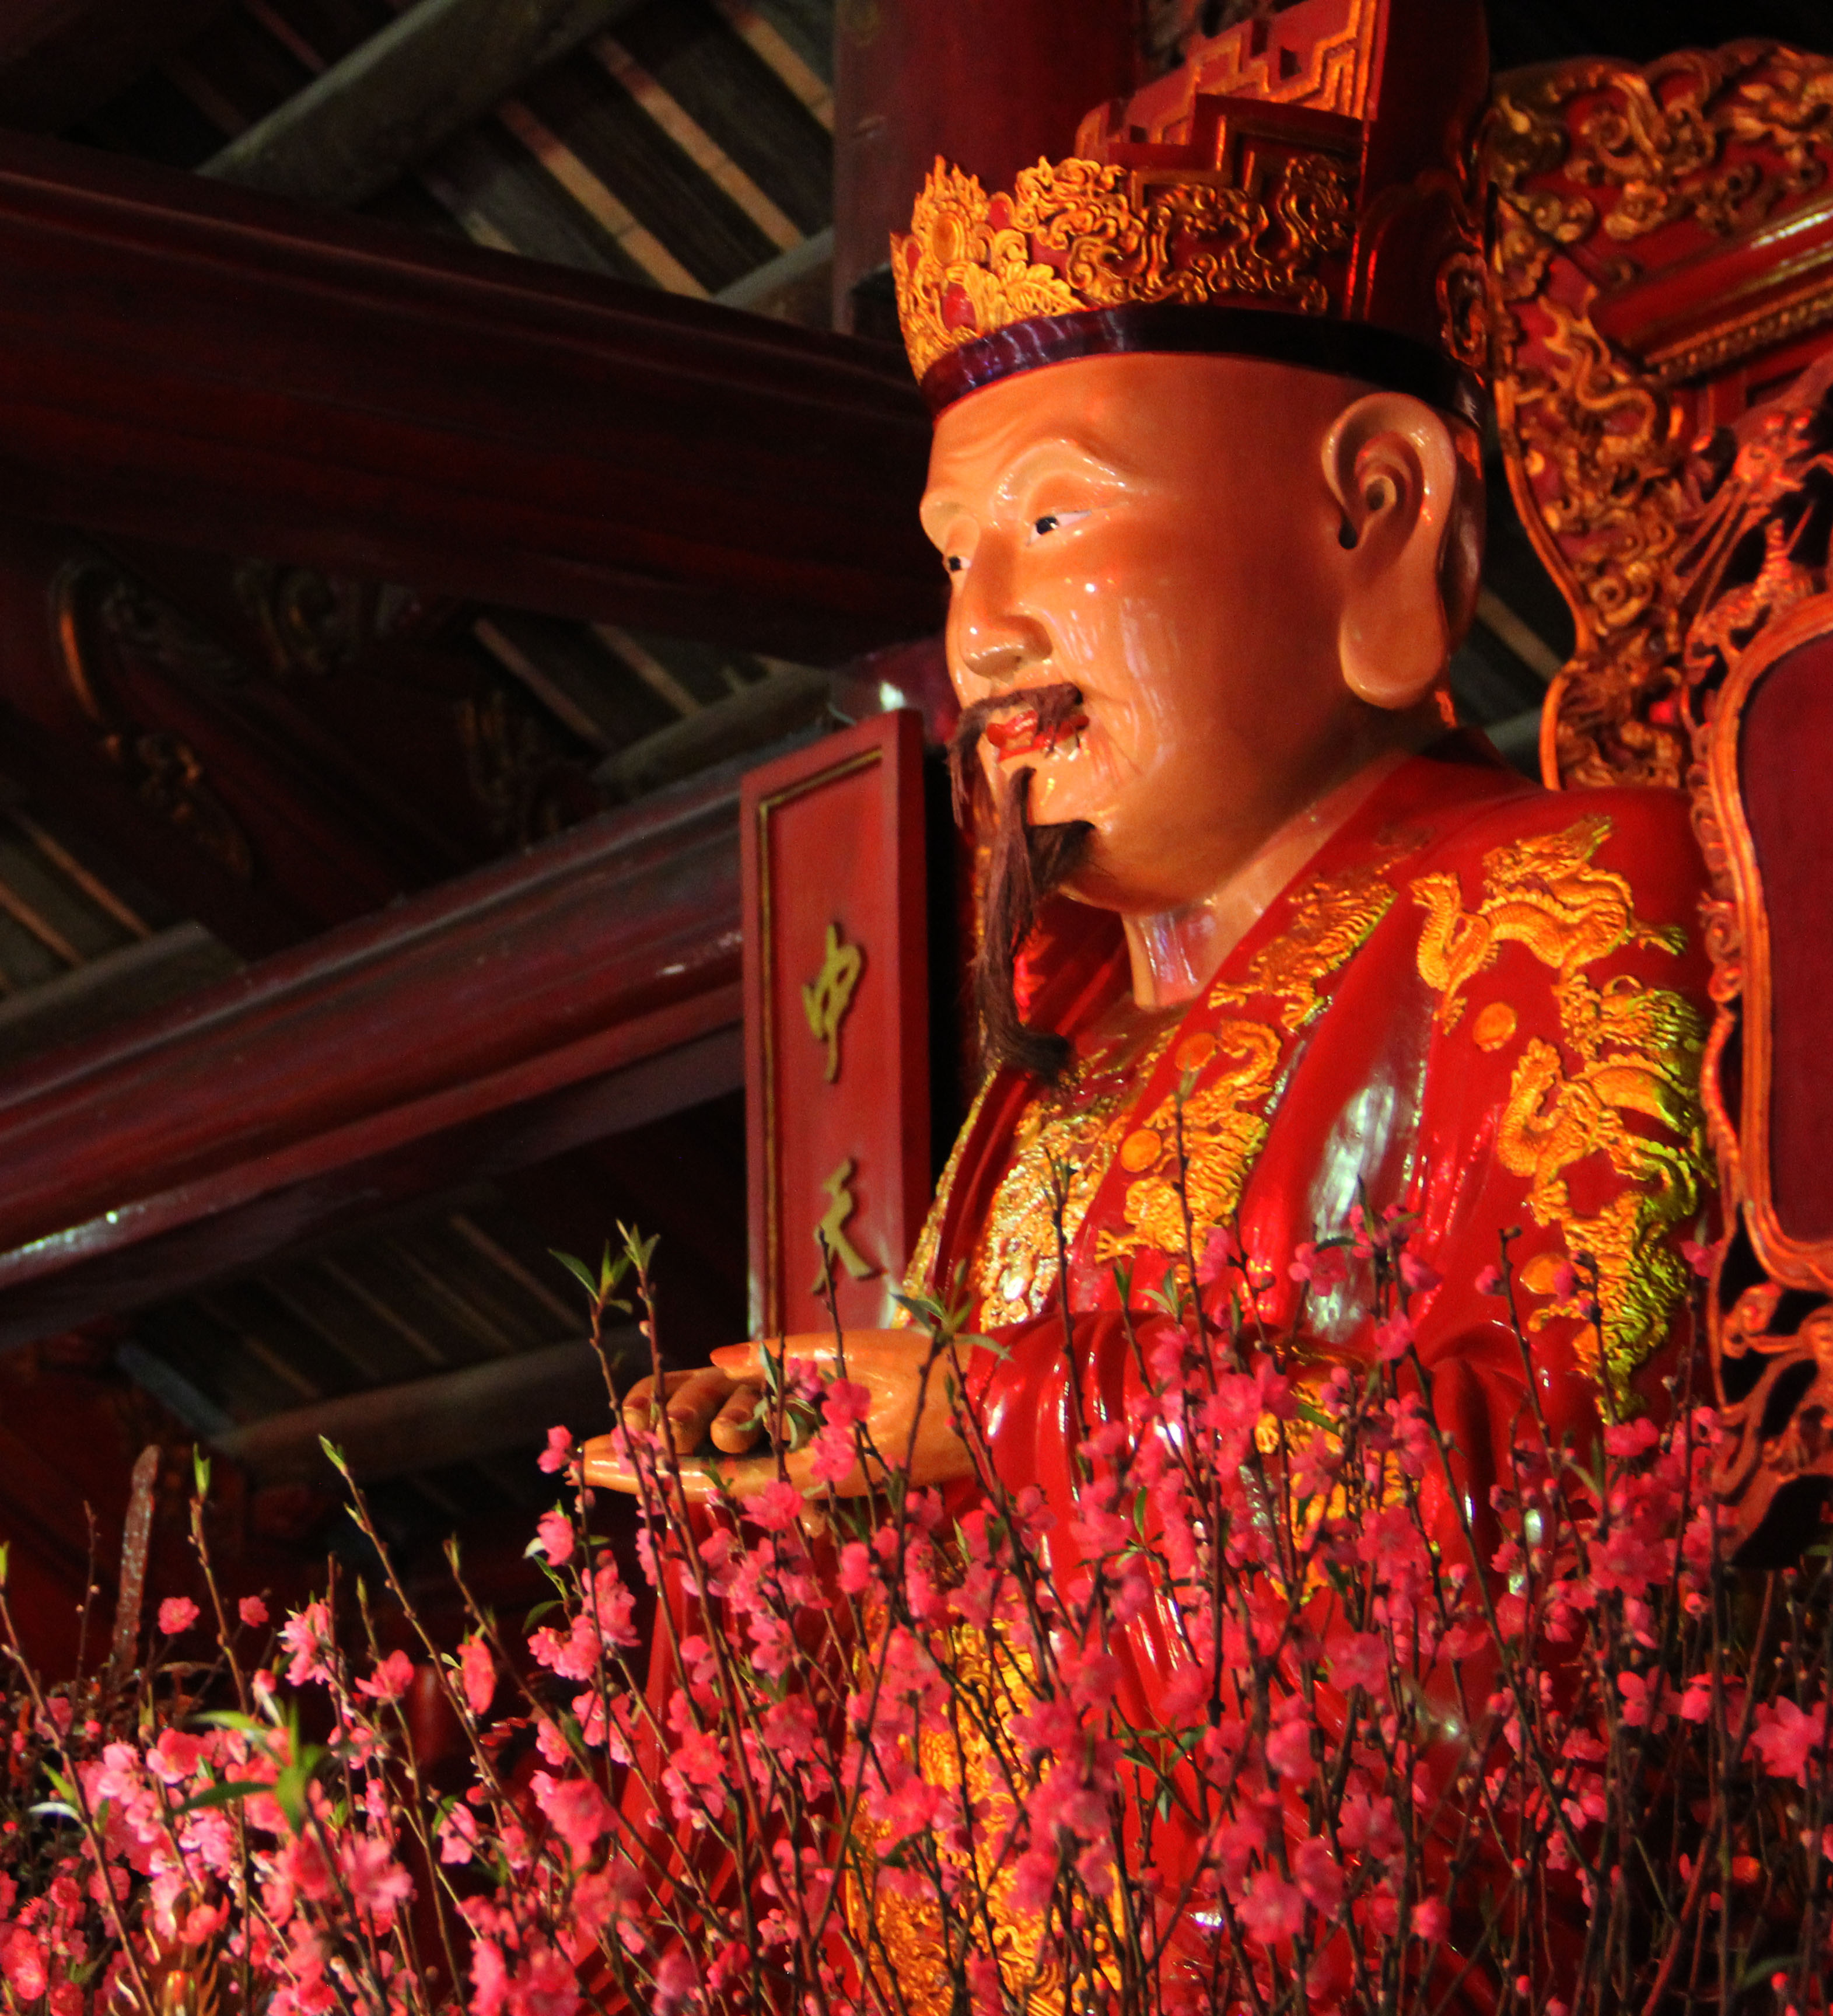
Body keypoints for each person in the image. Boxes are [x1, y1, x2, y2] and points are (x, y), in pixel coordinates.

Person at [579, 0, 1710, 1993]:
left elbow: (1574, 1513)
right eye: (953, 556)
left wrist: (993, 1417)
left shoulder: (1547, 901)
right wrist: (788, 1524)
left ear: (1375, 514)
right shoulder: (1062, 1057)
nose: (980, 632)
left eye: (1050, 521)